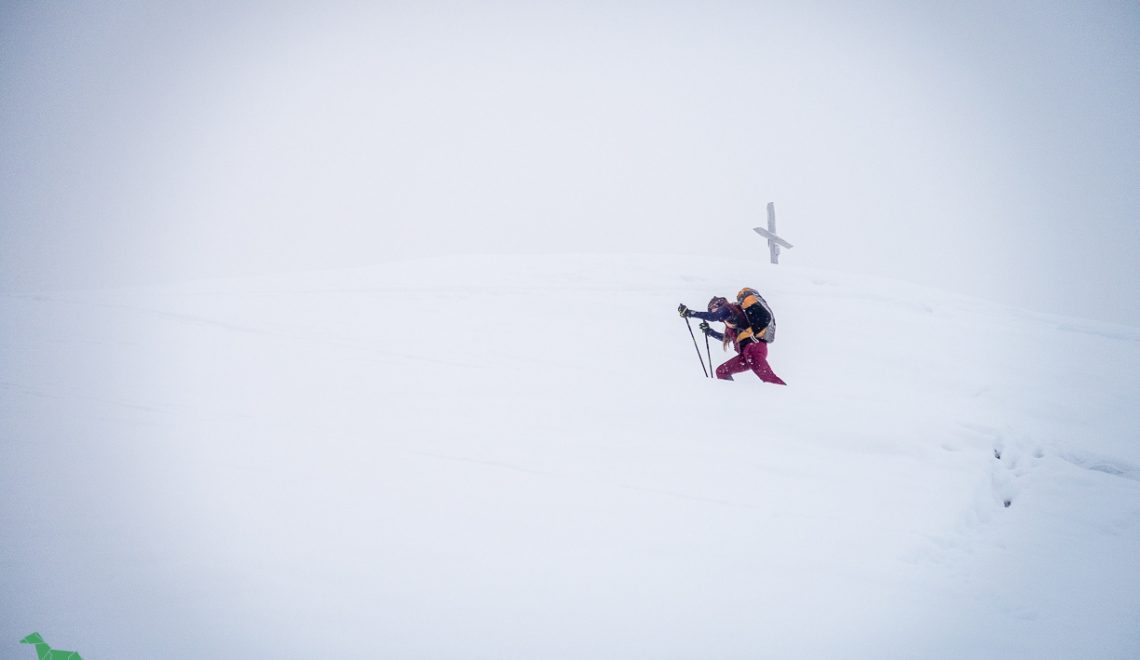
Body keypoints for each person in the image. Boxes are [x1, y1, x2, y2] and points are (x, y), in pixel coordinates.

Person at [679, 292, 786, 385]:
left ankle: (786, 396)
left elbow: (714, 317)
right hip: (746, 353)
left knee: (768, 378)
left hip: (753, 348)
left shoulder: (728, 309)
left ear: (717, 304)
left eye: (712, 310)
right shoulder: (730, 322)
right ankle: (731, 396)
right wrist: (710, 332)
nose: (712, 312)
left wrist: (689, 313)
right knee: (721, 371)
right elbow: (727, 339)